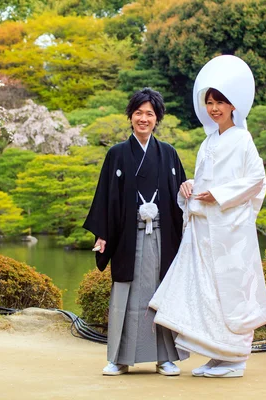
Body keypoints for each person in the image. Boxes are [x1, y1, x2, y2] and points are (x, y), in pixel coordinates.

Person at [149, 55, 266, 378]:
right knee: (207, 293)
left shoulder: (243, 139)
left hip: (230, 234)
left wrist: (218, 195)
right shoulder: (207, 143)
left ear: (234, 106)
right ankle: (218, 355)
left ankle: (235, 358)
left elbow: (256, 181)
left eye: (220, 102)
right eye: (209, 101)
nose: (214, 108)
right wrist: (188, 187)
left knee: (228, 292)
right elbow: (200, 181)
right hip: (203, 232)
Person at [83, 88, 188, 376]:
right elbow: (105, 197)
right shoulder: (116, 154)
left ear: (157, 119)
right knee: (125, 295)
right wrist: (102, 234)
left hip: (162, 238)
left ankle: (165, 357)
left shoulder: (168, 154)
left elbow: (180, 198)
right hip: (128, 238)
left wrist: (189, 187)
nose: (144, 119)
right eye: (139, 113)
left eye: (150, 114)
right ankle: (119, 358)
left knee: (161, 291)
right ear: (130, 117)